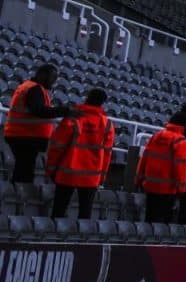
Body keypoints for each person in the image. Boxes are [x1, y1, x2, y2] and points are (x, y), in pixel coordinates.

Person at [46, 87, 114, 218]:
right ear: (102, 103)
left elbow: (57, 146)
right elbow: (107, 154)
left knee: (58, 211)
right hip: (91, 176)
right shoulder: (108, 124)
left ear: (87, 98)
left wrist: (51, 169)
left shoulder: (73, 118)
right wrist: (102, 177)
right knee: (85, 213)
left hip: (67, 172)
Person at [136, 106, 186, 224]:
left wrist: (138, 180)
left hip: (150, 185)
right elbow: (181, 169)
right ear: (184, 126)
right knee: (162, 224)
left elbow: (144, 160)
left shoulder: (156, 136)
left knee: (149, 220)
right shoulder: (181, 142)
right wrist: (181, 190)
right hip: (168, 190)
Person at [6, 62, 63, 183]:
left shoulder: (31, 87)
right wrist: (64, 111)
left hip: (22, 135)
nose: (54, 81)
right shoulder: (34, 89)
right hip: (24, 136)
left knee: (23, 170)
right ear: (43, 75)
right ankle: (19, 195)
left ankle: (19, 193)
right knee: (24, 173)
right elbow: (39, 110)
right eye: (53, 77)